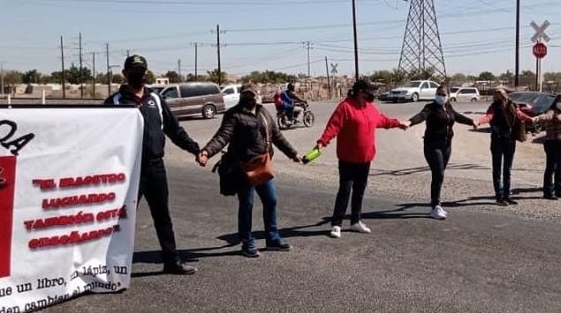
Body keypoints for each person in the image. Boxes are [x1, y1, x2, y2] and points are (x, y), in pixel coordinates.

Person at [104, 54, 200, 275]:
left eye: (141, 70)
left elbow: (174, 130)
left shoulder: (155, 100)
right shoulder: (115, 102)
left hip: (155, 168)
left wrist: (196, 149)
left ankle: (171, 260)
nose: (138, 75)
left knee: (162, 216)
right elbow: (100, 135)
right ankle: (111, 264)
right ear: (125, 74)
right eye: (133, 71)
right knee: (121, 219)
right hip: (128, 170)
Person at [198, 84, 303, 258]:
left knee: (271, 200)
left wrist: (293, 154)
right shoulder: (234, 114)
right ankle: (247, 242)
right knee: (247, 204)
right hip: (243, 167)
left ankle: (272, 239)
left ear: (257, 96)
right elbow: (222, 136)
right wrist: (207, 152)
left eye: (252, 95)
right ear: (241, 96)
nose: (250, 98)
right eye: (246, 95)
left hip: (263, 165)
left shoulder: (263, 113)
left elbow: (277, 136)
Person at [313, 78, 409, 238]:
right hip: (348, 158)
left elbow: (382, 120)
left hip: (365, 159)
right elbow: (333, 127)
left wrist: (398, 123)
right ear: (360, 92)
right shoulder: (345, 107)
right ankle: (336, 224)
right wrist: (322, 142)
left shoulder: (370, 108)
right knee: (345, 190)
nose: (373, 94)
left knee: (359, 190)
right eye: (370, 91)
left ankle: (355, 221)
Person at [408, 85, 477, 219]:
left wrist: (471, 122)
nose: (441, 96)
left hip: (446, 146)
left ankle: (437, 204)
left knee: (439, 175)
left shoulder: (448, 107)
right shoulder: (430, 107)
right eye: (439, 94)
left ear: (448, 96)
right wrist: (410, 122)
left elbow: (456, 116)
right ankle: (435, 206)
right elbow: (421, 116)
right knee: (438, 173)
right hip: (432, 146)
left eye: (443, 94)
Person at [477, 88, 531, 206]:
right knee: (497, 169)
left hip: (510, 140)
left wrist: (531, 119)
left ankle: (507, 195)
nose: (498, 96)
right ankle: (499, 196)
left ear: (504, 94)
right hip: (497, 140)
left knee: (508, 169)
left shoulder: (512, 105)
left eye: (500, 94)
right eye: (496, 95)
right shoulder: (494, 107)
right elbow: (489, 117)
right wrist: (479, 122)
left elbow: (519, 114)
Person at [530, 95, 561, 200]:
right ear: (555, 102)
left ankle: (559, 189)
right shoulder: (552, 112)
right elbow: (544, 117)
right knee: (551, 168)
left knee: (560, 167)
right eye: (559, 101)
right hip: (553, 143)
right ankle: (548, 191)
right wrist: (533, 119)